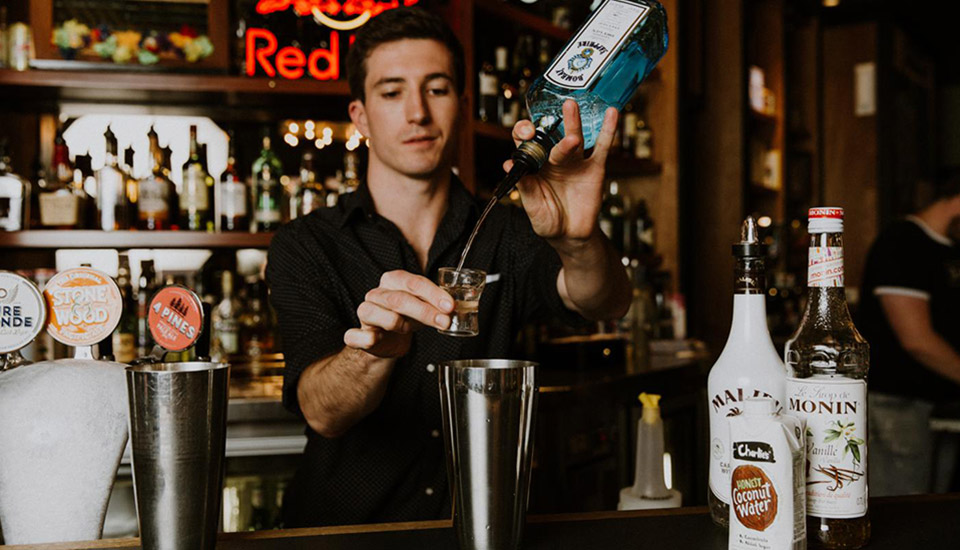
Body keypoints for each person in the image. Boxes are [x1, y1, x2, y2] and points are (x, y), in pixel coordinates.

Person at [265, 8, 631, 527]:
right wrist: (373, 354)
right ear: (361, 115)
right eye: (392, 93)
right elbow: (322, 411)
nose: (416, 112)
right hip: (345, 534)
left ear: (460, 105)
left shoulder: (506, 231)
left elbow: (602, 300)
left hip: (478, 528)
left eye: (435, 89)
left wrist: (578, 242)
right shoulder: (308, 245)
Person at [857, 178, 960, 496]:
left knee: (934, 517)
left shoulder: (949, 250)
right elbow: (917, 339)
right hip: (895, 406)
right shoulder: (902, 243)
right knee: (902, 514)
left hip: (940, 406)